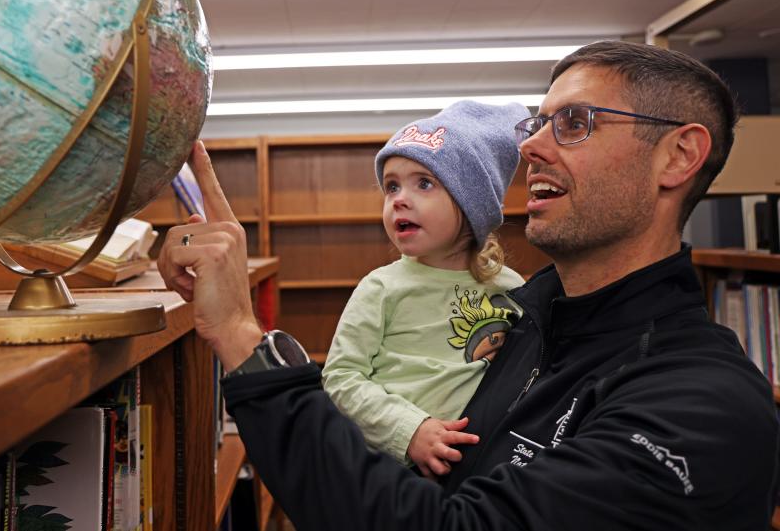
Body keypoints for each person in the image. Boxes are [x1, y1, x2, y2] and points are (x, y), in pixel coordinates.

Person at [159, 41, 780, 531]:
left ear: (677, 157)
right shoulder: (526, 320)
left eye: (575, 121)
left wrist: (244, 339)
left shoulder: (704, 407)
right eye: (539, 122)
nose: (531, 146)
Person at [322, 101, 528, 477]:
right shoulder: (381, 288)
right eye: (391, 186)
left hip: (487, 469)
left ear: (472, 206)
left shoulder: (513, 289)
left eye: (424, 183)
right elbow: (341, 378)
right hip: (397, 471)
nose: (399, 198)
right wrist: (408, 430)